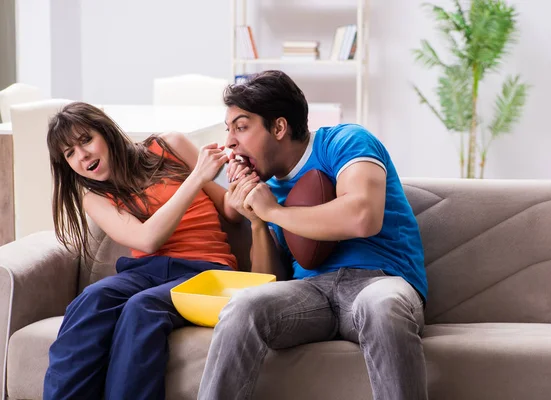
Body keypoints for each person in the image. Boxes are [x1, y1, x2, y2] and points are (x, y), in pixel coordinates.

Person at [198, 70, 428, 400]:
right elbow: (272, 280)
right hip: (310, 294)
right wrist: (258, 222)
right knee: (243, 306)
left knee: (382, 306)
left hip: (380, 279)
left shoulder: (345, 141)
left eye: (241, 127)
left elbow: (363, 217)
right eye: (228, 130)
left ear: (279, 127)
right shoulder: (266, 188)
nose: (230, 142)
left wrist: (274, 212)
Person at [43, 102, 259, 400]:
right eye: (70, 153)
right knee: (91, 299)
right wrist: (196, 176)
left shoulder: (169, 145)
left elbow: (228, 209)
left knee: (141, 309)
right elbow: (147, 240)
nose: (83, 156)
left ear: (105, 132)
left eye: (86, 140)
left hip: (207, 270)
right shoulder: (94, 199)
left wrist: (238, 182)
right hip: (148, 270)